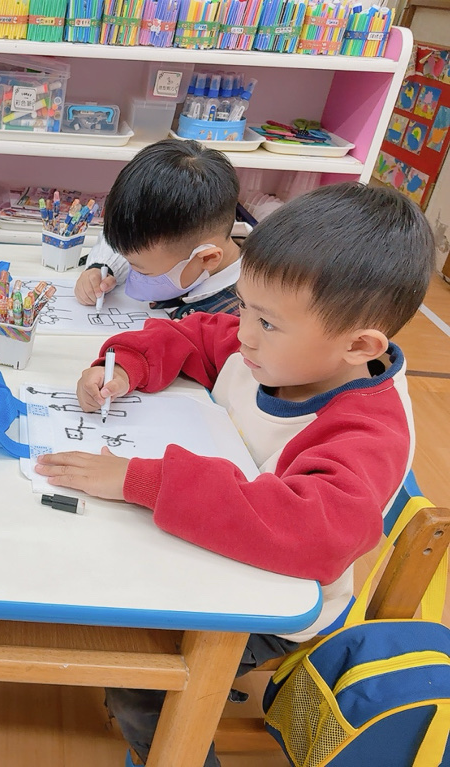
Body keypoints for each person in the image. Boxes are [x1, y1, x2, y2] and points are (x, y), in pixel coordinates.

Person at [38, 183, 435, 767]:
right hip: (213, 538)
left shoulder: (368, 432)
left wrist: (139, 481)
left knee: (142, 674)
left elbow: (311, 532)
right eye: (244, 304)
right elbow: (194, 334)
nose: (243, 330)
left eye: (266, 322)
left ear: (359, 345)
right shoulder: (270, 350)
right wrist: (126, 367)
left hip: (276, 598)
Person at [74, 139, 242, 320]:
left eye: (143, 273)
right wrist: (102, 268)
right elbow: (133, 245)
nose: (135, 275)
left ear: (207, 258)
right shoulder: (178, 242)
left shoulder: (238, 318)